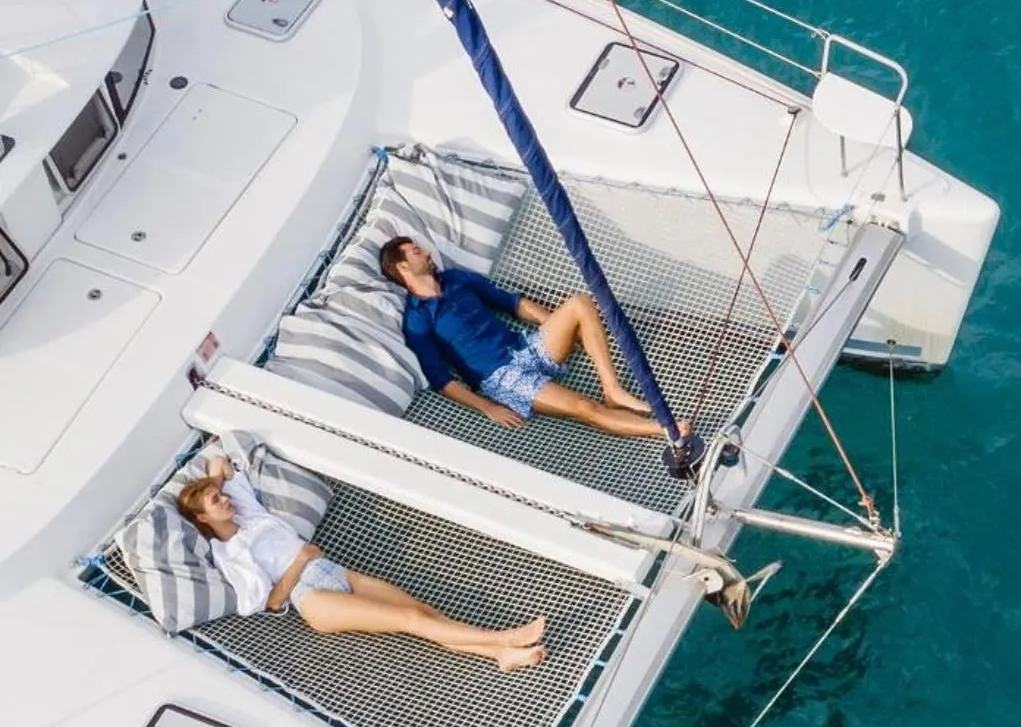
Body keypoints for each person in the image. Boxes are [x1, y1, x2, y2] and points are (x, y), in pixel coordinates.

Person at [176, 457, 547, 673]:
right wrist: (301, 559)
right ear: (203, 519)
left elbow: (219, 463)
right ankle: (505, 637)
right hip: (313, 597)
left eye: (220, 496)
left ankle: (499, 655)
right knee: (411, 622)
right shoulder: (228, 554)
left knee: (422, 610)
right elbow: (269, 603)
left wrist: (206, 487)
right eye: (214, 502)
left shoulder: (246, 512)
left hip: (334, 570)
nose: (223, 500)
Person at [378, 235, 670, 439]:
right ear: (402, 267)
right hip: (503, 377)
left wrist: (561, 326)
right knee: (585, 408)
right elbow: (441, 379)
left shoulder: (456, 279)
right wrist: (488, 407)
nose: (427, 253)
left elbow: (512, 303)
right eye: (417, 251)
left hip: (526, 346)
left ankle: (613, 389)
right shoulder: (417, 319)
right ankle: (666, 430)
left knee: (579, 303)